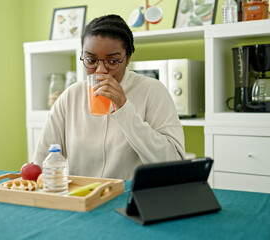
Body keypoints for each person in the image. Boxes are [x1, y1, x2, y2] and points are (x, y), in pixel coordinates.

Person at [33, 14, 185, 180]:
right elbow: (41, 162)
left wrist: (124, 109)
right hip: (82, 198)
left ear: (127, 59)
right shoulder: (71, 96)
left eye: (112, 61)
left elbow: (175, 163)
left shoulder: (153, 91)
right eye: (91, 60)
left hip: (130, 198)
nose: (100, 70)